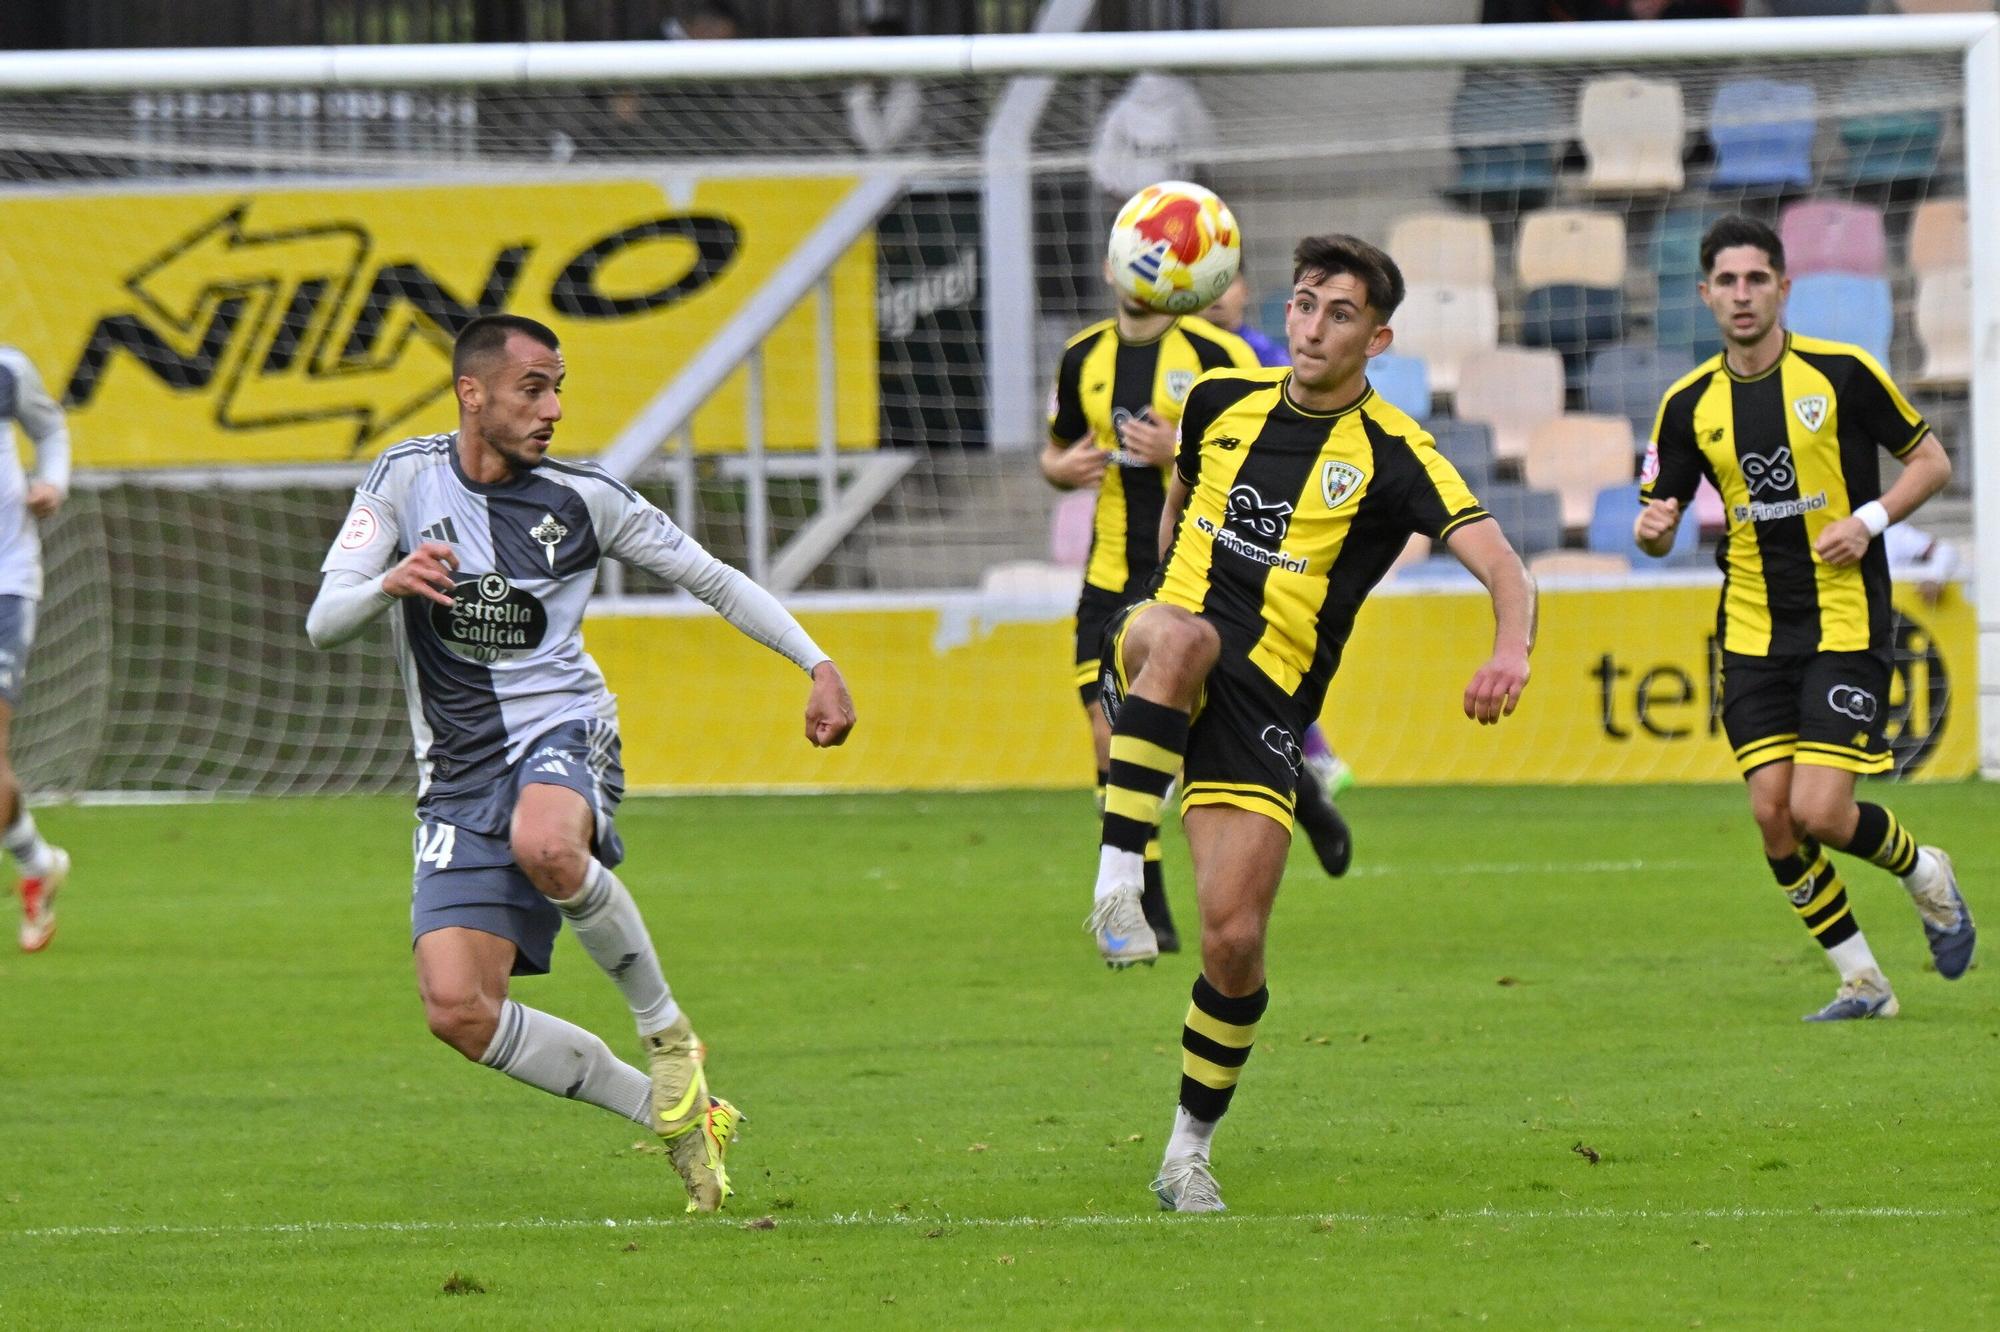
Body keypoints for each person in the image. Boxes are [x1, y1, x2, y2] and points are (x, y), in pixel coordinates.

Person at [307, 314, 855, 1212]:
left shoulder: (584, 497)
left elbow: (712, 575)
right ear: (471, 393)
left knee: (549, 845)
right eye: (533, 388)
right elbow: (324, 622)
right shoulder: (403, 479)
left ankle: (667, 1034)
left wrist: (816, 663)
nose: (553, 407)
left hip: (563, 731)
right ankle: (679, 1115)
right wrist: (387, 584)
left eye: (559, 387)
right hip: (456, 773)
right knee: (457, 1010)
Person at [1088, 235, 1534, 1211]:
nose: (1310, 327)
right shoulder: (1217, 401)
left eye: (1337, 315)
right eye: (1300, 304)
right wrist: (1154, 601)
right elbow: (1171, 518)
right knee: (1185, 638)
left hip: (1266, 707)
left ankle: (1183, 1155)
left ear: (1376, 339)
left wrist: (1509, 653)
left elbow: (1504, 566)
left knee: (1232, 943)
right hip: (1168, 639)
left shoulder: (1393, 455)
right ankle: (1117, 878)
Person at [1635, 215, 1973, 1022]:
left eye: (1758, 280)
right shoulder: (1688, 404)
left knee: (1819, 810)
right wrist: (1653, 532)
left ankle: (1926, 870)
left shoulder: (1843, 373)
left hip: (1844, 622)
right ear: (1705, 294)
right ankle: (1864, 981)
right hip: (1751, 631)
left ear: (1784, 288)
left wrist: (1870, 522)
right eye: (1728, 281)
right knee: (1772, 818)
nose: (1743, 295)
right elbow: (1660, 513)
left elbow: (1932, 463)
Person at [1044, 258, 1263, 955]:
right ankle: (1140, 907)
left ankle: (1307, 803)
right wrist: (1059, 470)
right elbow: (1056, 452)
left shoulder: (1216, 355)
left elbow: (1259, 465)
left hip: (1191, 575)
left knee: (1197, 742)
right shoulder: (1083, 354)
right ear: (1109, 267)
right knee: (1111, 738)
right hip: (1109, 576)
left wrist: (1179, 451)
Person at [1204, 271, 1358, 804]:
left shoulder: (1268, 356)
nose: (1219, 295)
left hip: (1253, 522)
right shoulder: (1184, 356)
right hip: (1187, 519)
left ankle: (1306, 756)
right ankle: (1305, 757)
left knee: (1248, 644)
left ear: (1246, 289)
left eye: (1228, 282)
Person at [0, 345, 72, 952]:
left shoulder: (8, 369)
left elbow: (49, 428)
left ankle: (36, 864)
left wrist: (52, 481)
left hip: (5, 583)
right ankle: (37, 863)